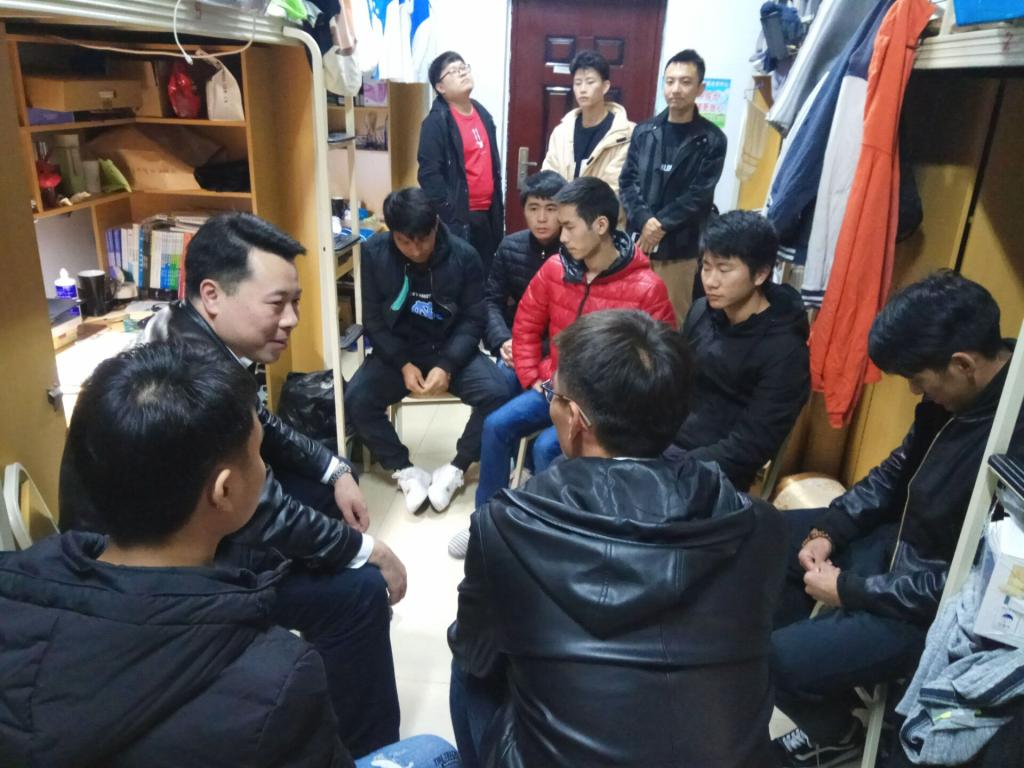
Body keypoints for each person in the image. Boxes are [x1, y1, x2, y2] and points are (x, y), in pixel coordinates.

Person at [1, 344, 462, 768]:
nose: (265, 469)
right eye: (259, 456)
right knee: (435, 752)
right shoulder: (276, 680)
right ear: (223, 491)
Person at [60, 212, 406, 758]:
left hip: (167, 526)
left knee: (323, 495)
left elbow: (263, 429)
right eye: (277, 303)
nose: (292, 319)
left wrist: (333, 469)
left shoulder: (187, 332)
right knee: (358, 591)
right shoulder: (191, 367)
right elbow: (261, 508)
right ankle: (371, 752)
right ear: (212, 295)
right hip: (145, 565)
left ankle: (335, 669)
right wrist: (368, 550)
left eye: (296, 301)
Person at [448, 309, 786, 767]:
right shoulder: (757, 525)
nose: (550, 403)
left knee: (468, 662)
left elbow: (476, 649)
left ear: (575, 420)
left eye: (552, 394)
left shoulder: (506, 524)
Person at [771, 272, 1023, 768]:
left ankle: (838, 733)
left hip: (932, 604)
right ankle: (827, 678)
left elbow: (973, 584)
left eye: (918, 380)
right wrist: (830, 530)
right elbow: (897, 473)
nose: (913, 391)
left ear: (963, 364)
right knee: (772, 539)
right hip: (900, 551)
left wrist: (851, 591)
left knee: (774, 660)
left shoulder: (1012, 437)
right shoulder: (956, 395)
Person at [469, 176, 675, 536]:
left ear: (600, 225)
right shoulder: (556, 269)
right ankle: (487, 523)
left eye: (568, 226)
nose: (561, 236)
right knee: (496, 426)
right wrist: (532, 377)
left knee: (548, 447)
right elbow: (526, 324)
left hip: (603, 406)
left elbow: (661, 359)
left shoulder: (647, 288)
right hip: (555, 386)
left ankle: (548, 532)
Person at [346, 187, 510, 514]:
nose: (416, 250)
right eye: (404, 242)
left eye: (423, 239)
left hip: (450, 350)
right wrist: (403, 363)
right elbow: (373, 319)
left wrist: (447, 364)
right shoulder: (374, 253)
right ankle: (405, 470)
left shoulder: (465, 256)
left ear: (436, 224)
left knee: (498, 393)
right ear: (392, 232)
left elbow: (474, 318)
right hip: (398, 353)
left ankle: (456, 469)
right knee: (356, 399)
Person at [665, 210, 810, 491]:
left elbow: (750, 447)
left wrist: (676, 468)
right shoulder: (702, 311)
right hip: (667, 445)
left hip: (716, 473)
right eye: (706, 267)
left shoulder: (786, 351)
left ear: (761, 274)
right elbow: (674, 383)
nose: (710, 281)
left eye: (724, 269)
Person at [619, 48, 727, 326]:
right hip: (637, 243)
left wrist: (660, 225)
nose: (676, 89)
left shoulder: (712, 139)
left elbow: (699, 194)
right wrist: (645, 221)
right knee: (628, 319)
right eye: (670, 81)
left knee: (671, 322)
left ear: (700, 88)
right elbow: (627, 181)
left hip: (680, 248)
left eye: (685, 82)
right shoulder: (644, 132)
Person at [418, 50, 503, 278]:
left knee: (486, 278)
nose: (462, 73)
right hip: (459, 219)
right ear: (440, 87)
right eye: (453, 71)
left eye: (463, 67)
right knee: (459, 280)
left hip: (488, 215)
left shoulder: (482, 113)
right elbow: (429, 176)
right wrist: (451, 214)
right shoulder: (436, 122)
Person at [483, 169, 567, 392]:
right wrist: (503, 340)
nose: (542, 218)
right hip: (517, 341)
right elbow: (491, 301)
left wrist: (534, 349)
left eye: (551, 209)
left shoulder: (575, 250)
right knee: (494, 389)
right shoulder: (510, 246)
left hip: (562, 349)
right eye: (533, 208)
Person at [541, 50, 634, 207]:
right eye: (578, 83)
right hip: (562, 218)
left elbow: (616, 189)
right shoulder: (561, 132)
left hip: (603, 219)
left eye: (590, 82)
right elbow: (549, 177)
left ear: (605, 87)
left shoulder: (626, 134)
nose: (583, 89)